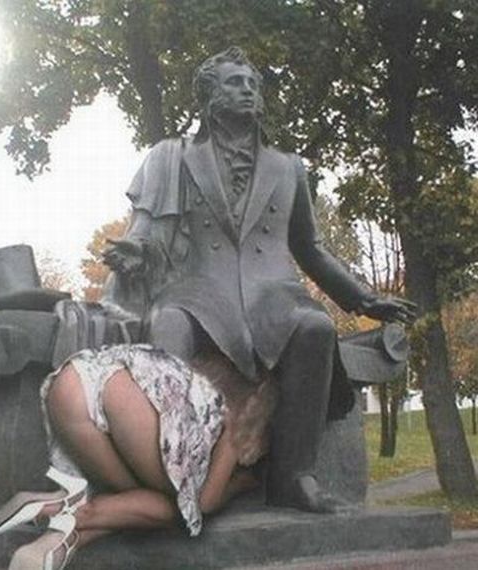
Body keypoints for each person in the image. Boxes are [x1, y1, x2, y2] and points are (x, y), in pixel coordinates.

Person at [102, 47, 416, 513]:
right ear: (209, 98)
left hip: (273, 293)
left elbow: (310, 248)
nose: (247, 90)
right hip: (198, 289)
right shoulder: (172, 157)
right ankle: (172, 470)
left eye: (252, 84)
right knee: (167, 324)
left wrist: (364, 300)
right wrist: (133, 249)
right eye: (234, 83)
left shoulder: (288, 168)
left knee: (315, 327)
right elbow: (145, 228)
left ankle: (294, 478)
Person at [0, 344, 261, 570]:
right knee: (182, 510)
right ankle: (69, 511)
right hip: (126, 396)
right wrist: (240, 484)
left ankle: (58, 535)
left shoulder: (186, 374)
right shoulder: (235, 415)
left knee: (137, 496)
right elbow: (207, 503)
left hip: (76, 377)